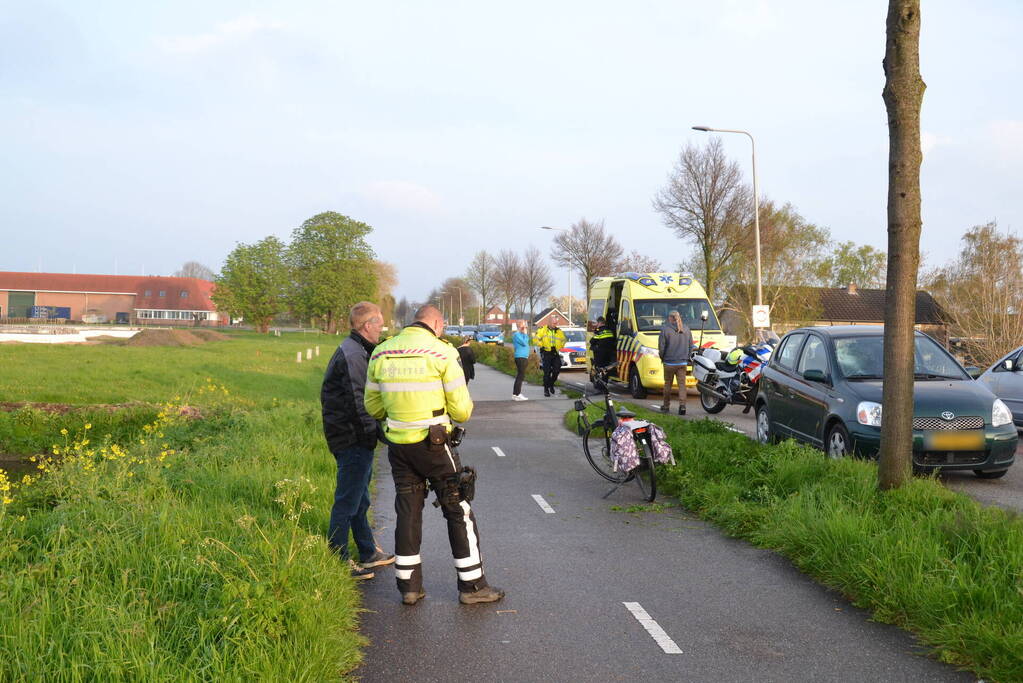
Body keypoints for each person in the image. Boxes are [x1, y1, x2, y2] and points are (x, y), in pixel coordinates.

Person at [365, 305, 504, 606]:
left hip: (399, 446)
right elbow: (462, 411)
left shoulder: (382, 352)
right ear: (437, 324)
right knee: (458, 508)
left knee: (408, 510)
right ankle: (473, 586)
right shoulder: (442, 353)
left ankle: (409, 587)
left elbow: (373, 407)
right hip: (434, 444)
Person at [320, 301, 396, 580]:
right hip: (350, 437)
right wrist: (376, 436)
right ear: (367, 325)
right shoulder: (353, 355)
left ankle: (367, 553)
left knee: (360, 497)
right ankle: (338, 559)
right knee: (347, 500)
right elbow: (359, 403)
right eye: (379, 323)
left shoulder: (358, 349)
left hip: (352, 435)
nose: (381, 328)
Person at [658, 310, 693, 415]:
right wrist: (687, 357)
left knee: (668, 384)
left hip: (669, 362)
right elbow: (691, 346)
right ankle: (682, 406)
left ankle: (666, 406)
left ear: (670, 318)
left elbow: (661, 347)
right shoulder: (686, 329)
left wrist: (662, 358)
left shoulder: (665, 329)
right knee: (682, 385)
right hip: (682, 363)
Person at [534, 321, 567, 397]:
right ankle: (546, 390)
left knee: (557, 370)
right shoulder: (543, 330)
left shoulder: (558, 331)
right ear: (549, 323)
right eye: (553, 323)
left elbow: (564, 340)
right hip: (546, 353)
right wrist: (541, 345)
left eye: (556, 323)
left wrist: (560, 346)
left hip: (555, 353)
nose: (555, 325)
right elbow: (536, 339)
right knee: (547, 372)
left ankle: (551, 384)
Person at [511, 322, 531, 401]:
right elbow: (524, 343)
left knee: (520, 376)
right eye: (524, 325)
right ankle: (517, 394)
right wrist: (525, 334)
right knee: (520, 376)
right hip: (520, 357)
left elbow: (527, 340)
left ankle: (515, 394)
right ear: (520, 326)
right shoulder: (517, 335)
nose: (526, 327)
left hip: (523, 357)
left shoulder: (521, 334)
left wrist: (525, 334)